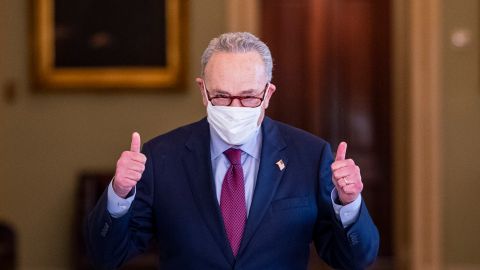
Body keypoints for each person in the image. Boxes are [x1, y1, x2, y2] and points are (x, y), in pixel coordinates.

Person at [85, 32, 379, 269]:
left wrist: (349, 203)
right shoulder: (162, 157)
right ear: (203, 91)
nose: (235, 108)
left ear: (268, 94)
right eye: (222, 96)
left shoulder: (310, 156)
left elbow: (354, 260)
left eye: (249, 97)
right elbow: (107, 256)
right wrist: (119, 194)